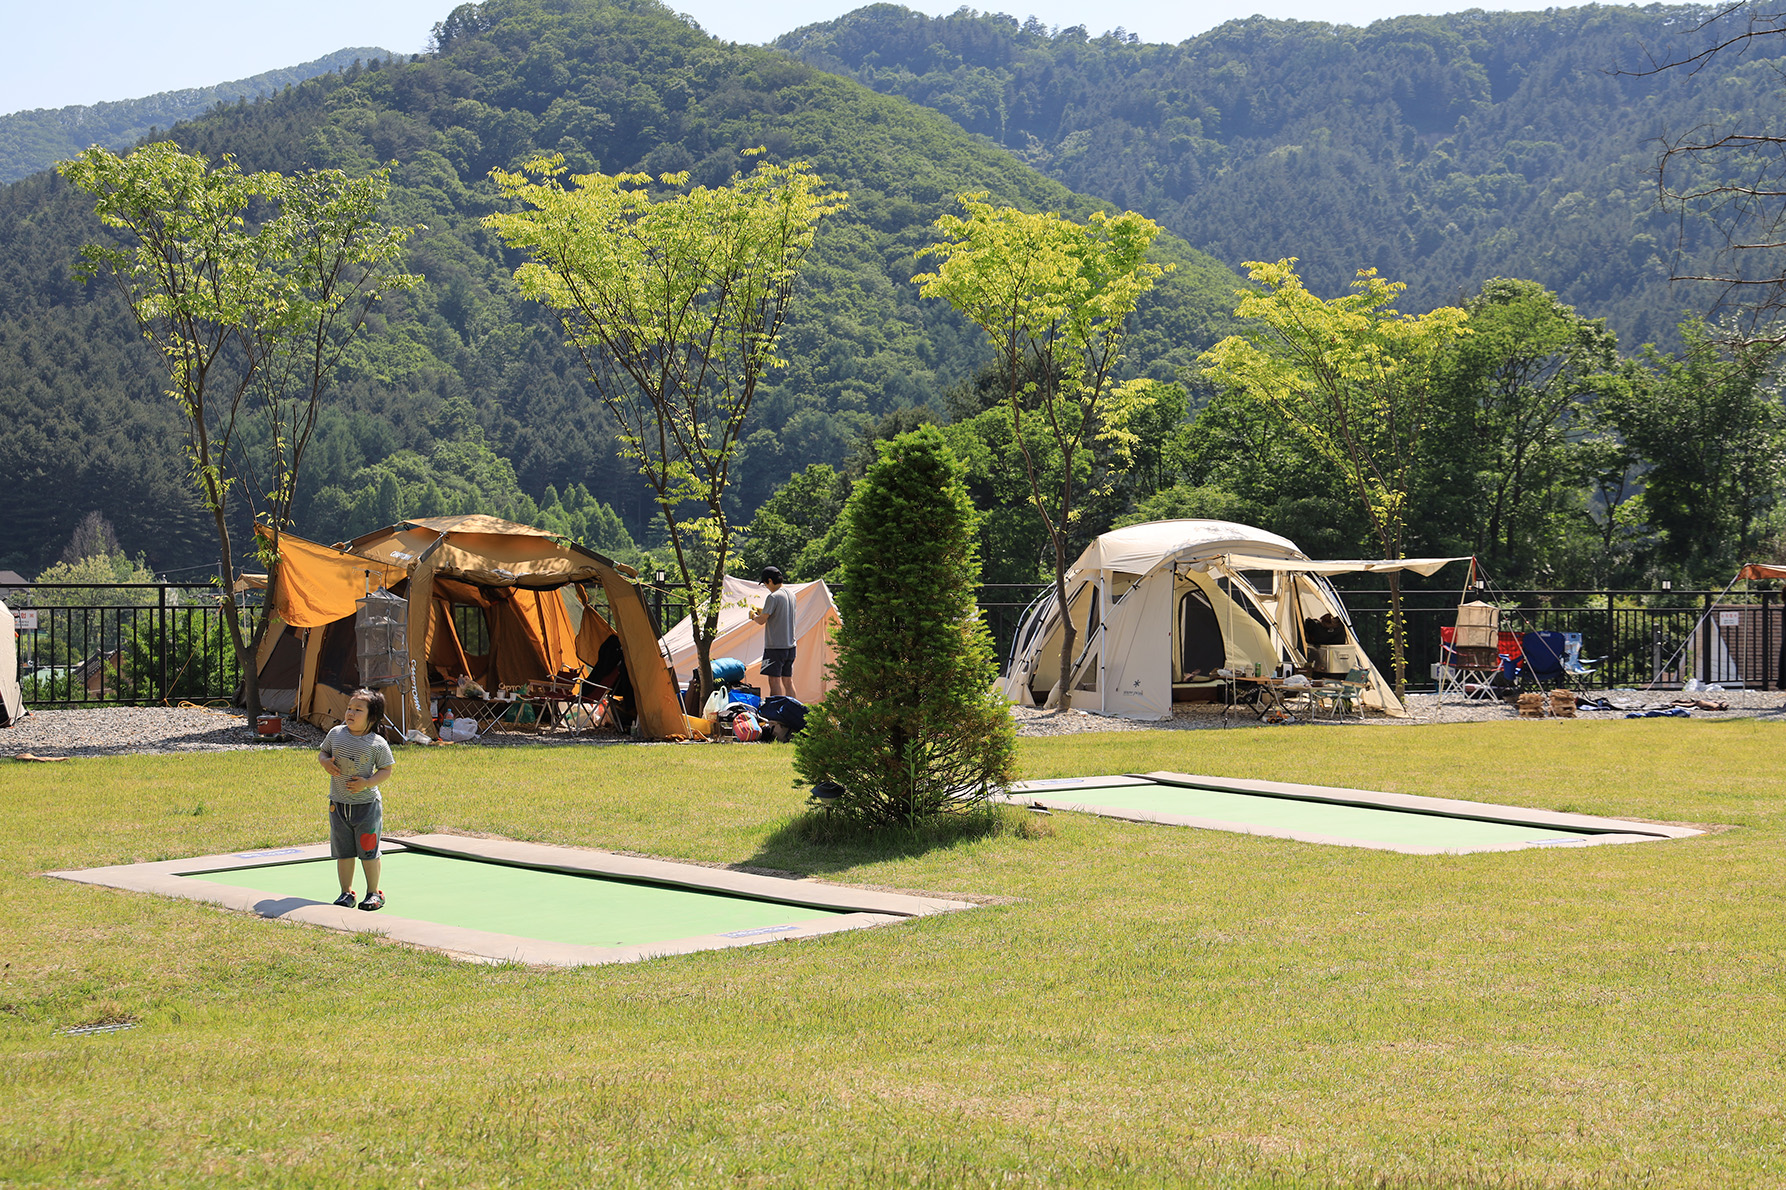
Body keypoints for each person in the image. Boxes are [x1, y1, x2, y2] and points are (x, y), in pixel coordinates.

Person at [318, 687, 395, 912]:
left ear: (372, 717)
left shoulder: (377, 743)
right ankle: (346, 892)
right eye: (349, 708)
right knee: (344, 852)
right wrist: (325, 762)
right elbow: (323, 753)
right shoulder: (336, 734)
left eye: (358, 710)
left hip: (366, 807)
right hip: (338, 805)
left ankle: (374, 893)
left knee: (368, 852)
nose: (350, 713)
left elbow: (386, 770)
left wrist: (367, 782)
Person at [749, 566, 798, 699]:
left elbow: (761, 621)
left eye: (765, 584)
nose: (766, 587)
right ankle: (792, 708)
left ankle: (776, 708)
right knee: (788, 681)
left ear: (770, 581)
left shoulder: (773, 597)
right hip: (791, 646)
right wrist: (764, 611)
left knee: (774, 680)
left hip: (775, 647)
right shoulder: (791, 595)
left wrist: (753, 616)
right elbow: (778, 614)